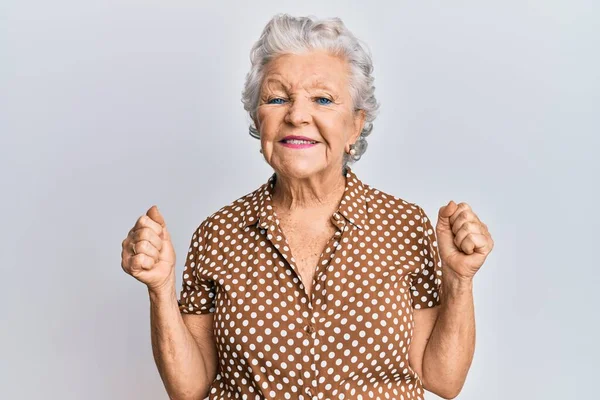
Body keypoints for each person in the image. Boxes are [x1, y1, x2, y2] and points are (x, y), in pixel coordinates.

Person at [121, 14, 494, 400]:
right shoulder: (217, 234)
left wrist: (459, 278)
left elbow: (442, 380)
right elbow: (190, 388)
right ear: (258, 119)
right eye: (277, 98)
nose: (297, 115)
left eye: (322, 99)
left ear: (354, 126)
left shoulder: (404, 225)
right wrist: (160, 289)